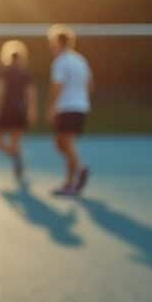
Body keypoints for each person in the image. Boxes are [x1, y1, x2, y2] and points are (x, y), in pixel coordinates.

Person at [46, 24, 93, 195]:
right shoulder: (81, 60)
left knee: (66, 144)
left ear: (59, 43)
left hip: (67, 108)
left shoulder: (60, 62)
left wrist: (52, 107)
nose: (51, 46)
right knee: (62, 144)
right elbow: (90, 84)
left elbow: (57, 86)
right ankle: (72, 180)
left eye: (52, 42)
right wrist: (83, 99)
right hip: (80, 107)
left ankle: (78, 173)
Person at [0, 40, 37, 180]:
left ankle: (15, 156)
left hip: (6, 110)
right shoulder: (25, 73)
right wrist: (31, 111)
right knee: (16, 141)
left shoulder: (3, 72)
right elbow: (31, 95)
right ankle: (16, 157)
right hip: (20, 110)